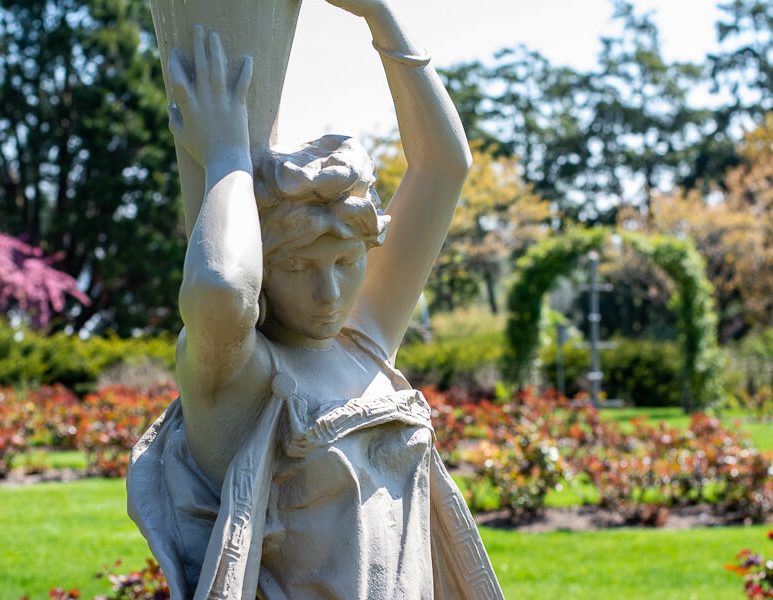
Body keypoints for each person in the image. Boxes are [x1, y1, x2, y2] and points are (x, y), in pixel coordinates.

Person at [128, 2, 503, 598]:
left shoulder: (365, 344)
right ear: (264, 268)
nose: (328, 293)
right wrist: (226, 159)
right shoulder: (242, 379)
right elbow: (223, 289)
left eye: (347, 263)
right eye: (299, 267)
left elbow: (444, 167)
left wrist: (379, 15)